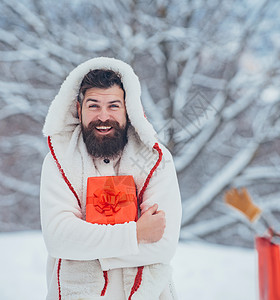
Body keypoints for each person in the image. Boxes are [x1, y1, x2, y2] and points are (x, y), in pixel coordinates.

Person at [40, 57, 182, 300]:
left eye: (113, 106)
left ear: (129, 108)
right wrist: (136, 233)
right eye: (93, 105)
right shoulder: (57, 160)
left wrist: (85, 245)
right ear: (78, 109)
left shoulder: (158, 159)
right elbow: (59, 239)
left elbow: (163, 244)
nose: (103, 116)